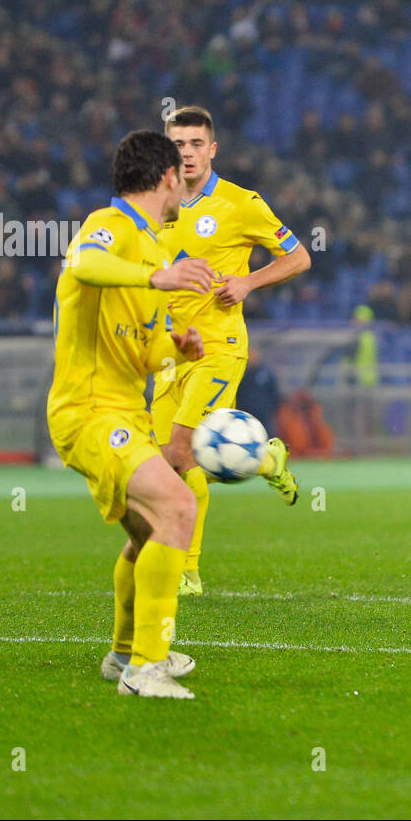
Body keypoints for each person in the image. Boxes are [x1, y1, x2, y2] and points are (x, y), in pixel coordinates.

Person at [47, 128, 217, 699]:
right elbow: (83, 266)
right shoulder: (110, 226)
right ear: (169, 177)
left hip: (124, 410)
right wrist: (156, 278)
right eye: (182, 177)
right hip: (90, 411)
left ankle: (123, 657)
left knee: (149, 533)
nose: (184, 187)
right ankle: (148, 667)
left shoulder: (155, 248)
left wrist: (177, 347)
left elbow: (143, 352)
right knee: (179, 506)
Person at [153, 106, 308, 597]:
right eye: (178, 145)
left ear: (212, 149)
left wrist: (247, 282)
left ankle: (186, 573)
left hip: (219, 347)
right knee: (164, 464)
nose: (188, 153)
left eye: (197, 144)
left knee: (180, 455)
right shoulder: (154, 205)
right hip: (165, 354)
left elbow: (299, 256)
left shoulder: (241, 203)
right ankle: (264, 459)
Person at [234, 345, 282, 439]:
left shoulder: (267, 373)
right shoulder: (242, 373)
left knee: (267, 437)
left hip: (264, 415)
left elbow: (274, 393)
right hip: (246, 414)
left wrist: (271, 409)